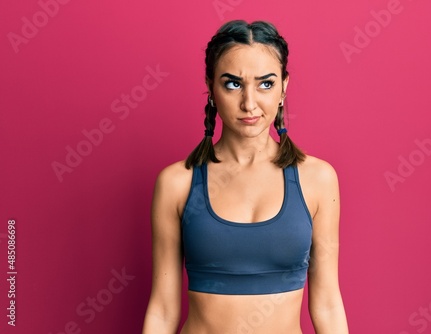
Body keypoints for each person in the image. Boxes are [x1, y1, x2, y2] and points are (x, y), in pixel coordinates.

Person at [142, 20, 348, 334]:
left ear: (284, 87)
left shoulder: (317, 180)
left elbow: (328, 304)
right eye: (233, 84)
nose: (249, 103)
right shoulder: (177, 183)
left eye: (265, 83)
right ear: (211, 86)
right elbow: (163, 309)